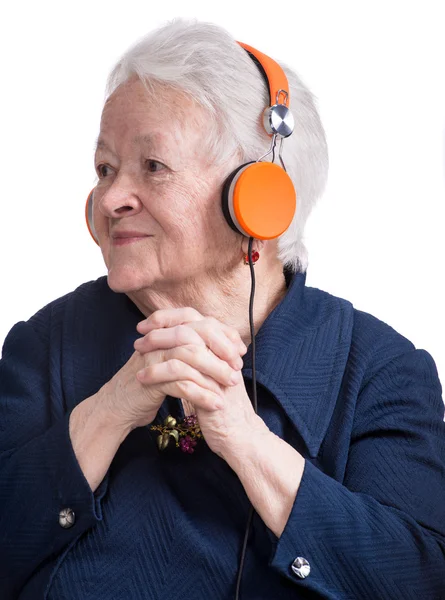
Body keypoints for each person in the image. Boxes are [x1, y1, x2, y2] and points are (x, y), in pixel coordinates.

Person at [1, 18, 444, 600]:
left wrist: (246, 439)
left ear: (260, 198)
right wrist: (106, 413)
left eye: (152, 166)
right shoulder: (47, 344)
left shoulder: (381, 371)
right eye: (105, 168)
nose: (109, 199)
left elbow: (419, 580)